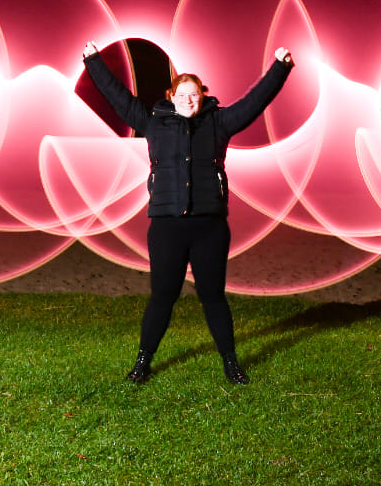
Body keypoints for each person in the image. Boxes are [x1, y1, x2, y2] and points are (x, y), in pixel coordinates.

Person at [81, 40, 294, 385]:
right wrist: (93, 62)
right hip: (166, 227)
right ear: (171, 97)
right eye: (182, 95)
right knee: (162, 296)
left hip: (210, 226)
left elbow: (256, 102)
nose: (188, 100)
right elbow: (118, 97)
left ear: (203, 96)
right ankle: (142, 363)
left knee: (213, 297)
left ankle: (231, 363)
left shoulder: (219, 123)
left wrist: (281, 67)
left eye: (194, 94)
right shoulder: (152, 122)